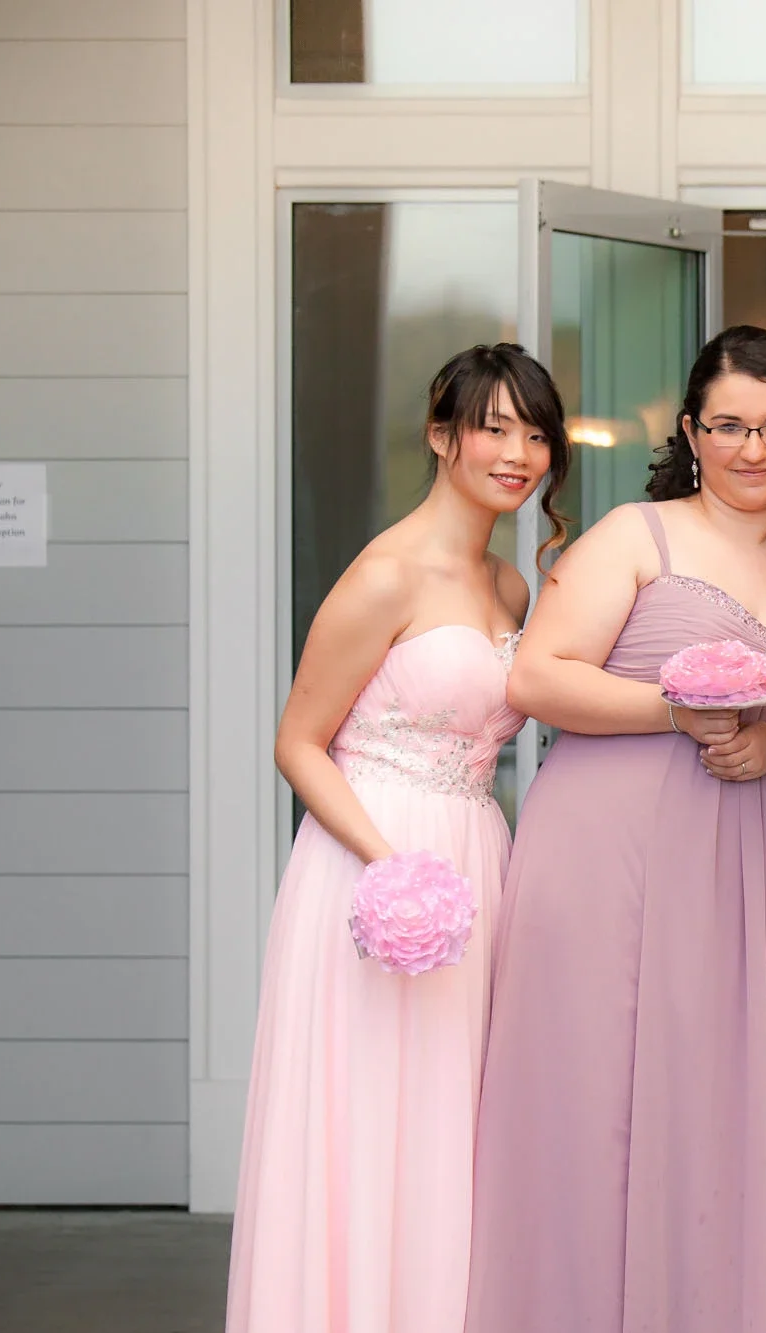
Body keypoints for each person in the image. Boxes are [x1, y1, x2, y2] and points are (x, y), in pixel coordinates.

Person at [463, 326, 766, 1333]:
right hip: (612, 853)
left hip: (751, 866)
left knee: (720, 1112)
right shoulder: (634, 536)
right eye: (727, 424)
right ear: (691, 431)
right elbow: (537, 678)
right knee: (592, 1097)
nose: (751, 446)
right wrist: (674, 712)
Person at [225, 343, 567, 1333]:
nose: (518, 453)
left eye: (535, 432)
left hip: (476, 857)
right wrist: (391, 867)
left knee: (453, 1116)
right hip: (375, 867)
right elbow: (297, 743)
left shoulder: (508, 587)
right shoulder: (383, 574)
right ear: (440, 434)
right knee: (367, 1112)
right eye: (494, 427)